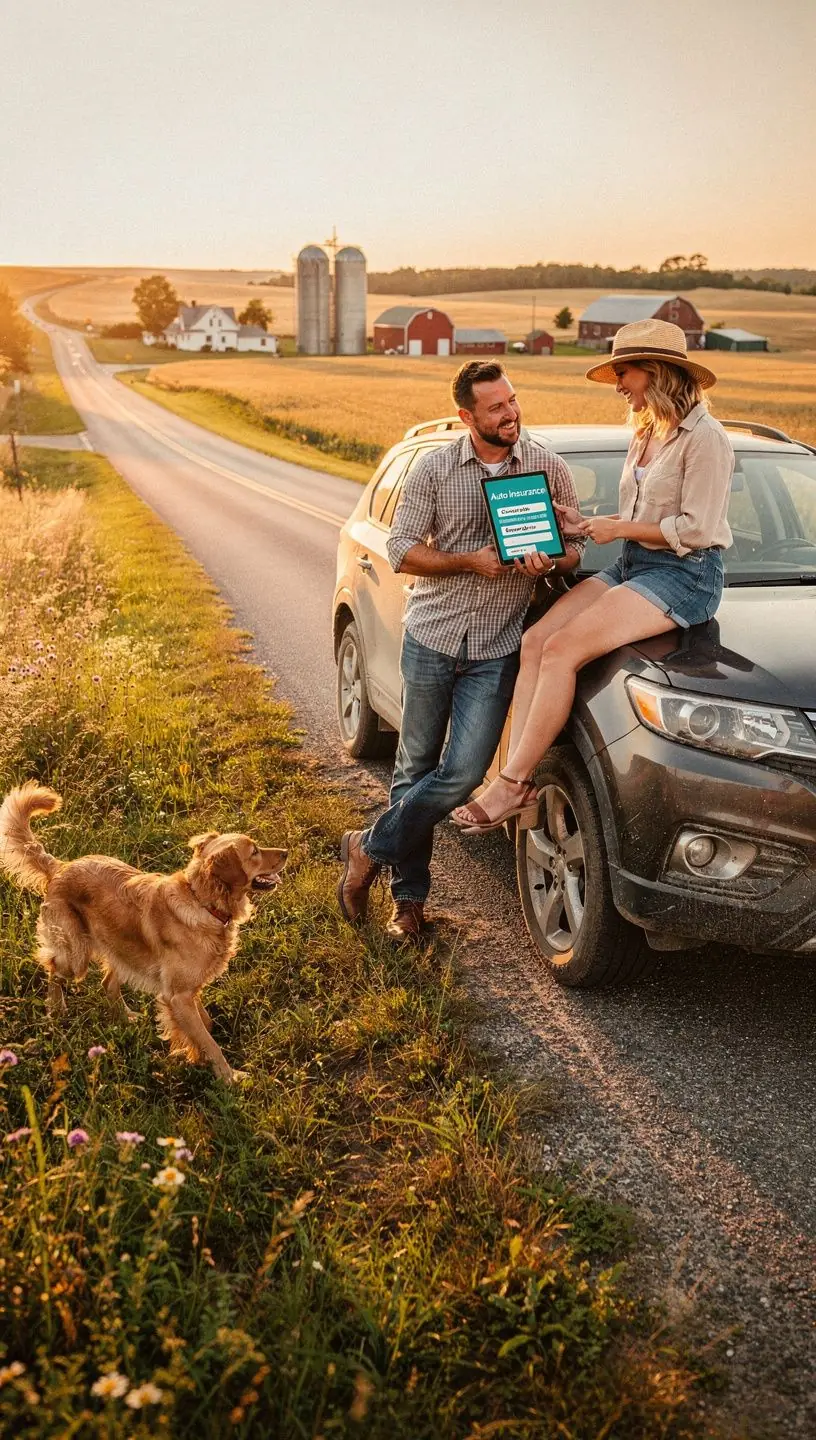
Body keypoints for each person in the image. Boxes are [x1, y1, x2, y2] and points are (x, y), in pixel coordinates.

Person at [453, 318, 734, 833]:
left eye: (623, 373)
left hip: (685, 575)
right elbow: (643, 514)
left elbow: (696, 529)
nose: (618, 385)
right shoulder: (647, 431)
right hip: (635, 563)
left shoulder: (705, 438)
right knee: (536, 640)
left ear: (655, 371)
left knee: (564, 649)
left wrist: (616, 528)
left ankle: (512, 783)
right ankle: (519, 785)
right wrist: (584, 523)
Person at [337, 359, 585, 940]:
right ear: (467, 416)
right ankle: (409, 902)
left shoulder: (547, 466)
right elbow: (402, 549)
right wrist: (469, 561)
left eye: (513, 400)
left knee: (465, 772)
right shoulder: (435, 468)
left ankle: (366, 847)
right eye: (496, 407)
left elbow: (574, 548)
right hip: (432, 636)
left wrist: (550, 561)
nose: (511, 413)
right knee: (414, 767)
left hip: (497, 647)